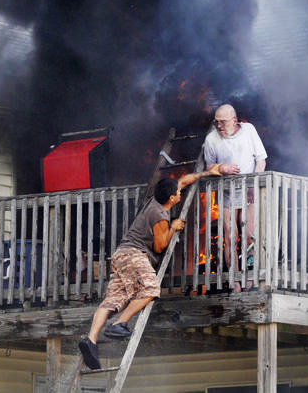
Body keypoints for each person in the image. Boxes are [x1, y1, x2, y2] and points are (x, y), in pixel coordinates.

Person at [78, 170, 216, 370]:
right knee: (151, 289)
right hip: (135, 255)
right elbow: (159, 246)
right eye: (178, 193)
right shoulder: (160, 215)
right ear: (171, 198)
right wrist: (174, 227)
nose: (180, 193)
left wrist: (207, 172)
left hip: (120, 256)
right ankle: (119, 324)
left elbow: (182, 181)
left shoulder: (156, 199)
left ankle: (91, 340)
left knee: (113, 300)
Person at [203, 104, 267, 292]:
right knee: (230, 236)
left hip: (248, 192)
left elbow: (261, 159)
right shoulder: (211, 139)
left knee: (249, 235)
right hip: (226, 194)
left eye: (223, 122)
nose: (219, 126)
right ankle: (234, 281)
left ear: (234, 120)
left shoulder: (248, 131)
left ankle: (250, 275)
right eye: (216, 122)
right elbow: (209, 168)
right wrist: (221, 168)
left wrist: (253, 183)